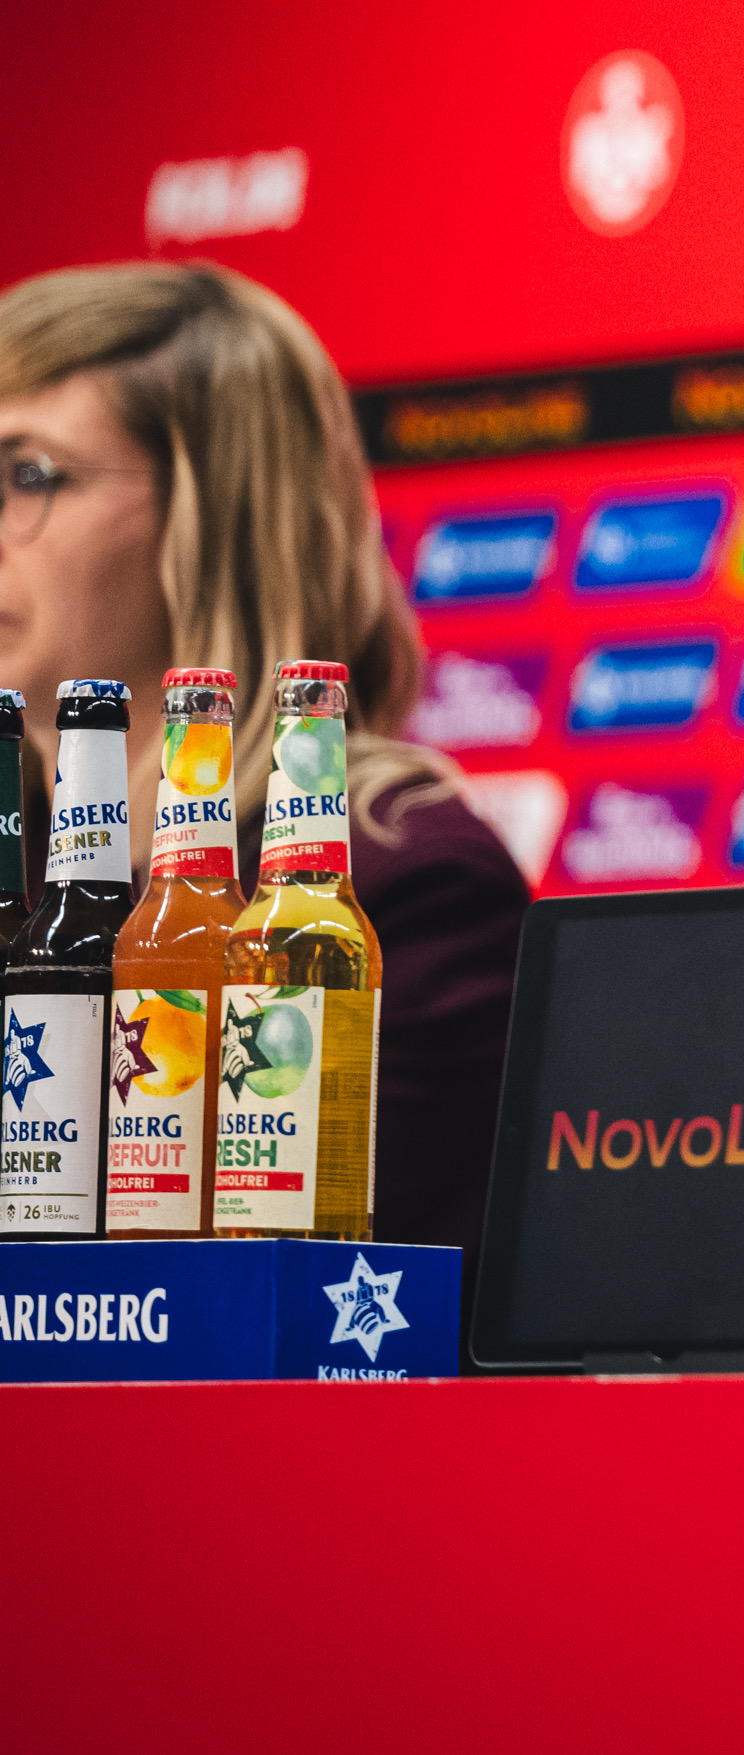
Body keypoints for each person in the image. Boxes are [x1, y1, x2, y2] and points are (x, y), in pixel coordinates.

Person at [0, 262, 531, 1260]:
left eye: (28, 475)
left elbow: (262, 1314)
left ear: (219, 522)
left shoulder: (405, 889)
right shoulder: (21, 877)